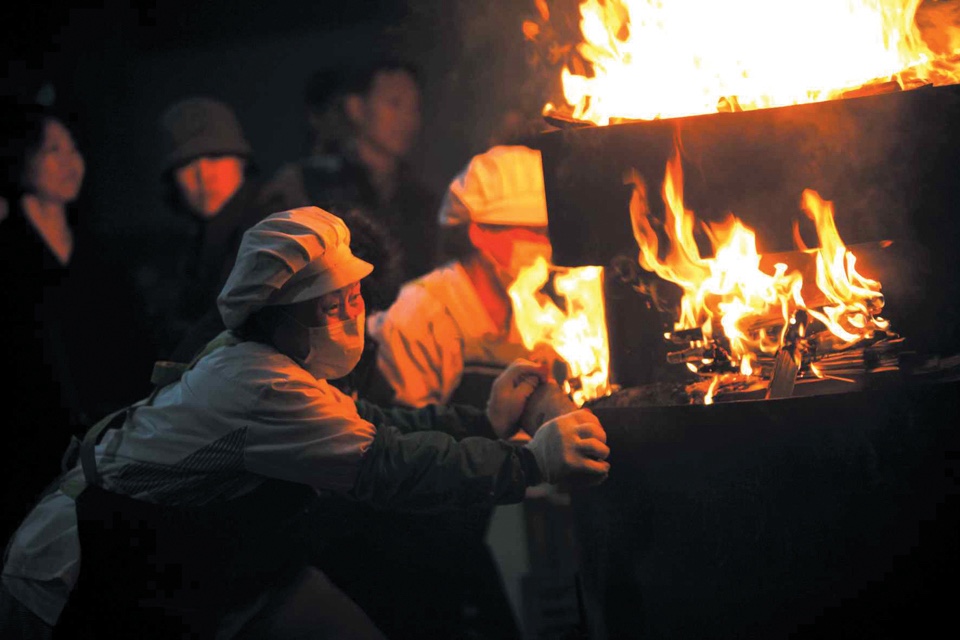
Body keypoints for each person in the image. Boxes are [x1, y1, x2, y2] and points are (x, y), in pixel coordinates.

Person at [0, 206, 610, 639]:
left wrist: (485, 420)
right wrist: (530, 462)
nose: (350, 316)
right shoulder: (262, 383)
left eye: (353, 298)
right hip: (89, 571)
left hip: (216, 569)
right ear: (278, 314)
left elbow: (370, 421)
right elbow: (387, 465)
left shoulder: (284, 361)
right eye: (329, 305)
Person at [0, 99, 154, 545]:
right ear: (23, 159)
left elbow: (132, 341)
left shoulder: (98, 253)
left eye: (74, 149)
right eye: (53, 150)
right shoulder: (10, 253)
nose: (70, 162)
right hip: (33, 446)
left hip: (109, 440)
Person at [368, 144, 555, 409]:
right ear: (479, 233)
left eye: (547, 232)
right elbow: (410, 429)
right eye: (532, 231)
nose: (544, 243)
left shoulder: (542, 315)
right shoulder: (415, 317)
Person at [259, 58, 440, 288]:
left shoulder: (420, 199)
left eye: (415, 108)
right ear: (356, 108)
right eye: (394, 104)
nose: (408, 119)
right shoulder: (306, 185)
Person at [136, 96, 270, 362]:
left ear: (242, 161)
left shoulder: (267, 230)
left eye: (215, 156)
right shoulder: (188, 246)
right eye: (186, 163)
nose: (202, 174)